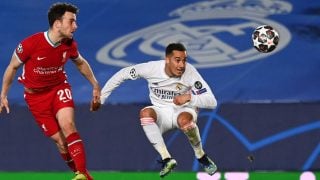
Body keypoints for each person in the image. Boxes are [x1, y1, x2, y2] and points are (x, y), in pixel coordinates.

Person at [0, 2, 100, 180]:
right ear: (57, 24)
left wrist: (95, 84)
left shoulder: (69, 44)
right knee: (62, 144)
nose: (75, 26)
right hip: (35, 98)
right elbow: (12, 67)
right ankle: (84, 175)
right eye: (71, 21)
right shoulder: (31, 44)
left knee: (68, 125)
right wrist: (3, 94)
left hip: (58, 88)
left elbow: (80, 63)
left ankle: (81, 174)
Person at [100, 42, 218, 177]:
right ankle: (167, 159)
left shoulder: (190, 72)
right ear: (167, 60)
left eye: (184, 61)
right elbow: (123, 73)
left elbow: (212, 101)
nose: (181, 65)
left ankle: (200, 155)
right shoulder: (151, 68)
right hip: (161, 113)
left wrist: (189, 97)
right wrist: (101, 98)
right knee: (145, 113)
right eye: (177, 60)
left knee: (184, 120)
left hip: (183, 111)